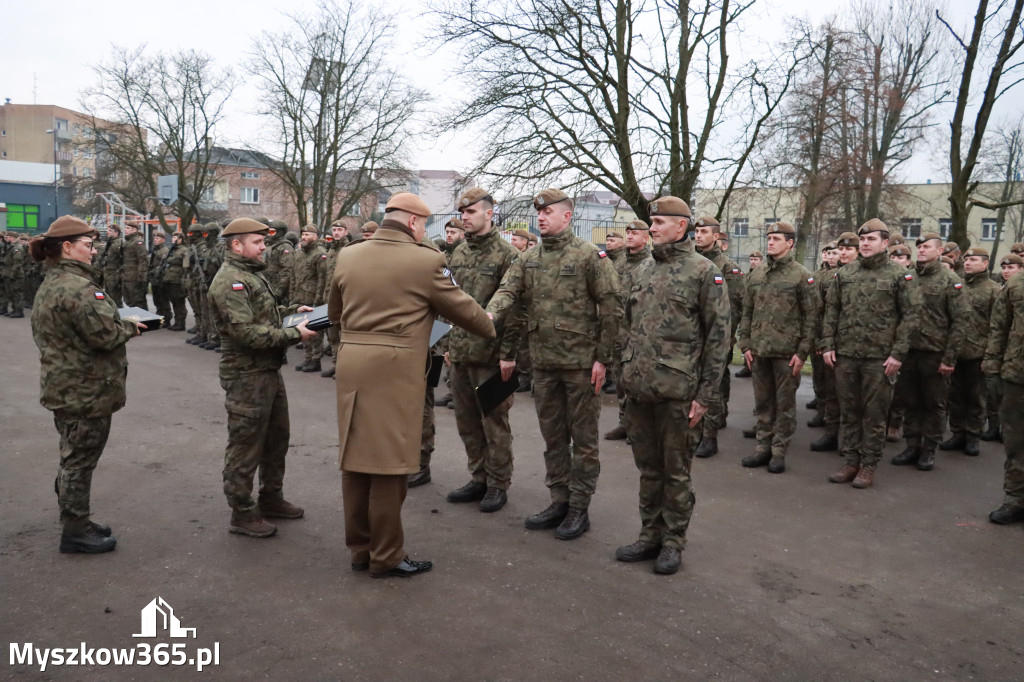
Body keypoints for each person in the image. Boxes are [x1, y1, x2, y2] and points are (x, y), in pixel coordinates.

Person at [328, 192, 495, 578]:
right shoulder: (426, 259)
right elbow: (464, 310)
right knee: (388, 464)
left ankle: (360, 549)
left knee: (355, 460)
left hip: (352, 363)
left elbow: (335, 312)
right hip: (394, 369)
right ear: (416, 223)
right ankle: (386, 555)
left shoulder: (349, 254)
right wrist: (490, 323)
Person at [487, 188, 623, 540]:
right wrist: (487, 314)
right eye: (539, 213)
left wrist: (603, 359)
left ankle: (580, 507)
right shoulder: (529, 258)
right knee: (553, 438)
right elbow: (507, 291)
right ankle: (559, 499)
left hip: (580, 365)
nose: (542, 217)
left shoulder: (590, 256)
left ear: (567, 216)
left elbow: (611, 309)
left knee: (584, 440)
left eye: (549, 212)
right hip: (545, 365)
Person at [615, 196, 729, 574]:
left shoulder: (703, 271)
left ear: (681, 227)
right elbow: (629, 329)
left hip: (680, 394)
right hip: (641, 389)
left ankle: (673, 542)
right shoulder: (643, 270)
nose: (653, 227)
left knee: (676, 471)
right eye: (653, 221)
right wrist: (625, 381)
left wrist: (705, 397)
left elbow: (718, 339)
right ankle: (650, 535)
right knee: (649, 469)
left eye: (660, 221)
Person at [29, 216, 145, 553]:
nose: (93, 251)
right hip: (85, 390)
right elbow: (104, 335)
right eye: (88, 245)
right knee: (79, 461)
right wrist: (130, 328)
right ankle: (75, 530)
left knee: (71, 455)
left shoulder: (54, 281)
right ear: (67, 247)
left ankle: (76, 517)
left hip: (65, 385)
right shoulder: (77, 287)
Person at [208, 218, 318, 538]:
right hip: (246, 374)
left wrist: (294, 310)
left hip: (266, 372)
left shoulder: (251, 276)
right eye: (258, 243)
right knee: (246, 445)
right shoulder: (231, 281)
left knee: (276, 440)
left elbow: (265, 315)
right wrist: (293, 333)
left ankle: (271, 498)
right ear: (236, 245)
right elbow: (246, 334)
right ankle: (241, 512)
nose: (264, 248)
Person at [822, 220, 919, 488]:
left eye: (872, 239)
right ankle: (850, 461)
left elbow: (910, 317)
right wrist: (828, 345)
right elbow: (832, 311)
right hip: (846, 355)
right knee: (849, 412)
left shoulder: (898, 275)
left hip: (879, 359)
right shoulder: (845, 273)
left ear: (885, 243)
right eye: (862, 239)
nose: (865, 243)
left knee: (875, 415)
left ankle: (868, 465)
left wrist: (898, 354)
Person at [443, 188, 522, 512]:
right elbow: (447, 302)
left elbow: (516, 310)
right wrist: (446, 344)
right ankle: (478, 477)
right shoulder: (458, 254)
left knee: (494, 421)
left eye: (471, 212)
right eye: (463, 213)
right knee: (466, 421)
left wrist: (509, 354)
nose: (465, 218)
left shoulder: (508, 255)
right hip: (461, 352)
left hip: (491, 358)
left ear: (489, 213)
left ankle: (498, 483)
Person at [736, 222, 820, 473]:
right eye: (769, 238)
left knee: (784, 406)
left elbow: (811, 317)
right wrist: (746, 344)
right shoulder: (757, 275)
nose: (770, 242)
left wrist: (802, 352)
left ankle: (778, 451)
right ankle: (762, 448)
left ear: (790, 243)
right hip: (759, 350)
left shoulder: (801, 275)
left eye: (776, 238)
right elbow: (747, 312)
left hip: (786, 353)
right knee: (763, 403)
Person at [889, 233, 965, 471]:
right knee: (910, 401)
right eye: (919, 246)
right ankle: (912, 445)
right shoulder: (908, 278)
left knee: (934, 404)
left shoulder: (950, 280)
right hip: (908, 352)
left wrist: (949, 358)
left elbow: (960, 322)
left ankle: (929, 450)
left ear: (940, 251)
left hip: (935, 354)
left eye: (927, 246)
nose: (921, 249)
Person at [694, 217, 744, 457]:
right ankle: (695, 429)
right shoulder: (690, 262)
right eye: (697, 231)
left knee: (713, 384)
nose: (699, 236)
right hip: (691, 337)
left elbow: (733, 306)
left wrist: (727, 337)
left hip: (716, 336)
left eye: (704, 232)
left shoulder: (727, 267)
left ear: (716, 237)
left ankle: (710, 435)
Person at [943, 247, 999, 456]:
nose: (967, 263)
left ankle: (973, 435)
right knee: (955, 396)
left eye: (974, 260)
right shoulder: (957, 286)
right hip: (956, 352)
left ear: (985, 264)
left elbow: (997, 325)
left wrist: (990, 353)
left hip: (978, 353)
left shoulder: (993, 289)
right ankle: (957, 433)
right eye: (966, 260)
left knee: (977, 398)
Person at [983, 260, 1024, 524]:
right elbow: (999, 328)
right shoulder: (1016, 284)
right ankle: (1015, 499)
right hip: (1017, 374)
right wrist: (993, 367)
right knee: (1016, 442)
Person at [605, 219, 652, 441]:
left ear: (646, 237)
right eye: (628, 232)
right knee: (620, 381)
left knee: (638, 382)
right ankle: (624, 422)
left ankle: (638, 426)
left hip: (639, 334)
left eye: (636, 233)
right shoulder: (619, 263)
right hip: (618, 331)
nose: (631, 236)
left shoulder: (651, 264)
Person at [291, 225, 328, 372]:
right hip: (300, 298)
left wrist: (318, 299)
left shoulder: (320, 254)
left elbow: (322, 279)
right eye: (303, 234)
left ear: (315, 236)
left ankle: (315, 359)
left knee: (316, 331)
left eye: (307, 234)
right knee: (303, 329)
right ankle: (307, 357)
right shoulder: (299, 254)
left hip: (313, 299)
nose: (304, 237)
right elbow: (294, 277)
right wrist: (292, 296)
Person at [320, 220, 350, 378]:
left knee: (343, 335)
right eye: (334, 229)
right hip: (328, 298)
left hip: (343, 300)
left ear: (346, 231)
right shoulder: (331, 250)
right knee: (331, 335)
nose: (336, 232)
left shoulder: (349, 250)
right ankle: (335, 364)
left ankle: (344, 367)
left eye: (339, 230)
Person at [121, 221, 149, 309]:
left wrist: (141, 278)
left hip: (134, 277)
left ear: (134, 230)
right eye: (125, 228)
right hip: (126, 276)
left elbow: (142, 260)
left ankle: (145, 320)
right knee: (128, 300)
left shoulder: (138, 242)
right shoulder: (126, 242)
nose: (125, 230)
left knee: (137, 301)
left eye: (128, 228)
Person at [1, 231, 28, 317]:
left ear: (12, 237)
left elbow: (18, 263)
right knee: (11, 293)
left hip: (16, 275)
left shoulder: (17, 248)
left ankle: (19, 311)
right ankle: (14, 309)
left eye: (8, 237)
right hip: (9, 273)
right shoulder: (11, 247)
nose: (6, 239)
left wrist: (12, 275)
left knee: (17, 293)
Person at [99, 224, 124, 307]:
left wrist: (118, 275)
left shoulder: (118, 243)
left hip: (114, 275)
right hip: (108, 274)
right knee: (109, 298)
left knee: (115, 300)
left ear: (116, 233)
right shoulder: (110, 243)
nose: (107, 232)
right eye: (108, 230)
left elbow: (122, 260)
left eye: (110, 231)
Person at [148, 230, 171, 324]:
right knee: (156, 300)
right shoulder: (155, 249)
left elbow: (162, 265)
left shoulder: (164, 250)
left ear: (163, 240)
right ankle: (159, 317)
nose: (155, 240)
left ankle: (167, 318)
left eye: (157, 238)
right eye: (155, 238)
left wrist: (154, 271)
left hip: (161, 279)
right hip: (154, 279)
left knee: (163, 300)